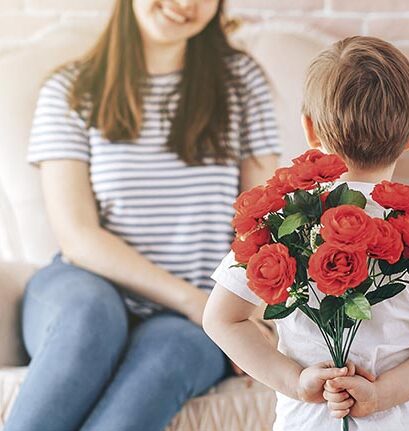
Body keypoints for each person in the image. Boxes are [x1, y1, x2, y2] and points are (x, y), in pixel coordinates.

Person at [5, 1, 279, 430]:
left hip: (190, 320)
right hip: (86, 288)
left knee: (172, 354)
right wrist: (197, 303)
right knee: (90, 319)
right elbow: (78, 237)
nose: (186, 4)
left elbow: (261, 224)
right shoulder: (70, 90)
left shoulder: (240, 85)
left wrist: (240, 315)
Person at [203, 36, 409, 431]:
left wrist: (296, 382)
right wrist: (382, 394)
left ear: (310, 130)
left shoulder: (283, 224)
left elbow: (221, 319)